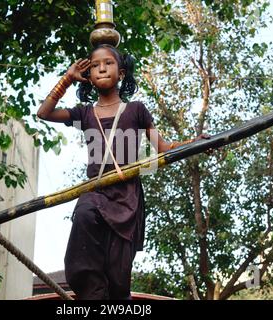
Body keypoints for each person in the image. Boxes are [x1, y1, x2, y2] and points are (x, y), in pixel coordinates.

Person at [37, 44, 210, 299]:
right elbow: (44, 113)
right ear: (88, 76)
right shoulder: (84, 113)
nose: (102, 68)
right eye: (95, 65)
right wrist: (67, 78)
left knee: (118, 279)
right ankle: (92, 295)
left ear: (122, 73)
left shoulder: (136, 110)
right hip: (95, 190)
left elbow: (162, 149)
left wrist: (193, 143)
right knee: (84, 213)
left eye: (108, 63)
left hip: (127, 198)